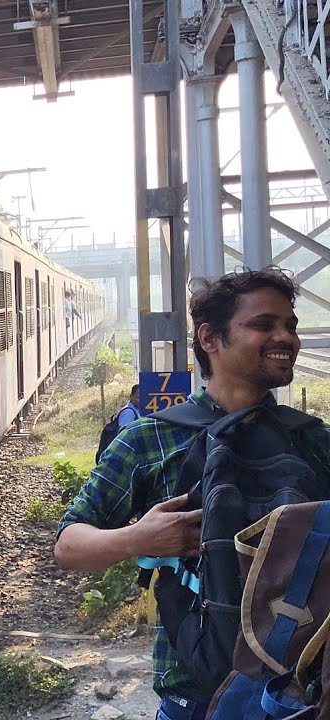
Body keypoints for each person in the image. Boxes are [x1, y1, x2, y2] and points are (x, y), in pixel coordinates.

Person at [54, 267, 330, 719]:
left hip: (299, 691)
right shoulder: (150, 439)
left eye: (291, 325)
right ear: (209, 339)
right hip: (196, 694)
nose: (286, 337)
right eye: (264, 325)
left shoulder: (315, 440)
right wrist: (138, 539)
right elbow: (68, 546)